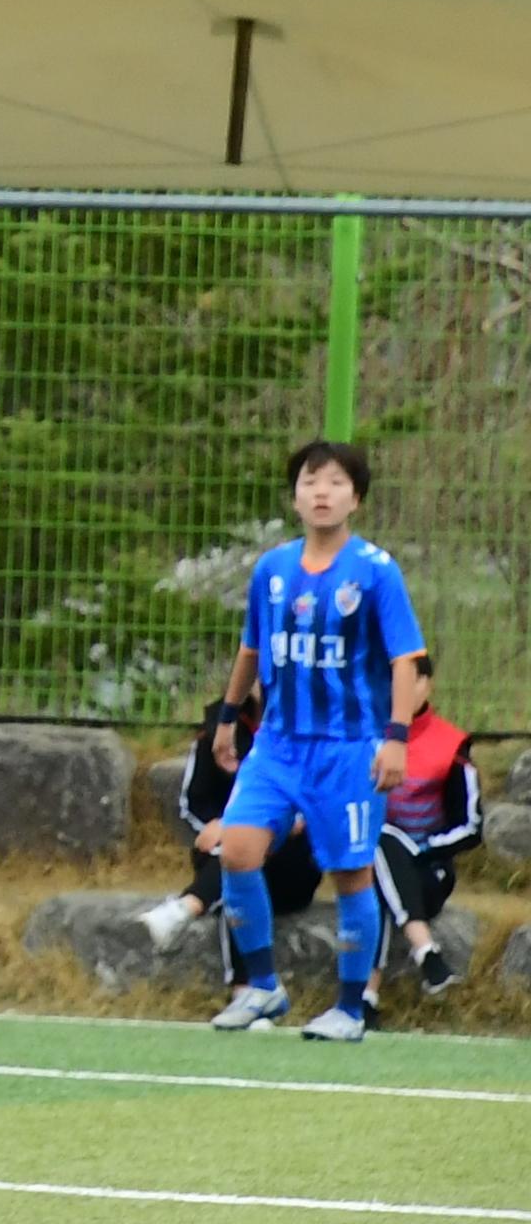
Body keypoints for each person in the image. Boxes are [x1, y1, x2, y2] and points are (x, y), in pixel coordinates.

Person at [203, 437, 426, 1041]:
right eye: (309, 482)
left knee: (350, 874)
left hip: (348, 746)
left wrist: (396, 739)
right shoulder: (271, 568)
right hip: (276, 744)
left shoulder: (376, 571)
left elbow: (407, 659)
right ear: (295, 496)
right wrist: (227, 718)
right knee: (238, 851)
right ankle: (264, 987)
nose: (320, 493)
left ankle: (351, 1008)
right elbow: (252, 647)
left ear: (356, 497)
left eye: (334, 483)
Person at [132, 699, 322, 974]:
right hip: (222, 855)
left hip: (291, 862)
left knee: (245, 863)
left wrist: (252, 827)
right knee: (238, 866)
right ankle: (247, 994)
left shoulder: (315, 726)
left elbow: (320, 801)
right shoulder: (221, 728)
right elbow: (194, 802)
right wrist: (222, 827)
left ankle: (187, 907)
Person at [375, 652, 477, 996]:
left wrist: (421, 851)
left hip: (428, 872)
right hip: (371, 864)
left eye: (410, 681)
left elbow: (472, 826)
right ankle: (425, 955)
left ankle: (365, 996)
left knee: (381, 842)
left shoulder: (451, 744)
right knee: (376, 848)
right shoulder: (367, 737)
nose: (399, 690)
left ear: (427, 684)